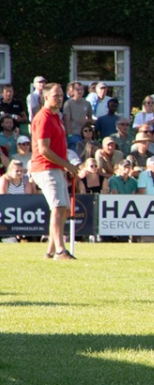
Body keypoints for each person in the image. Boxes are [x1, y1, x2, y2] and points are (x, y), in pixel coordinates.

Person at [29, 81, 78, 259]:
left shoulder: (56, 117)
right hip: (45, 167)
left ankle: (50, 251)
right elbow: (44, 149)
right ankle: (60, 250)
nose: (59, 98)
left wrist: (66, 165)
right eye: (56, 95)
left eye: (61, 95)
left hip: (56, 167)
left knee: (63, 209)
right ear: (46, 97)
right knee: (58, 207)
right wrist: (67, 165)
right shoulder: (43, 117)